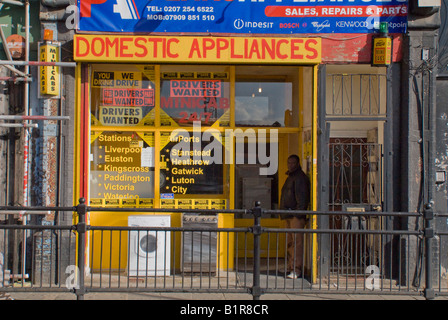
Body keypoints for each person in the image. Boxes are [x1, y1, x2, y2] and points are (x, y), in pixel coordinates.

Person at [280, 154, 310, 279]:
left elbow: (302, 198)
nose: (290, 165)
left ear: (298, 164)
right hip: (290, 214)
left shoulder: (300, 178)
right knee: (291, 243)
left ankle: (296, 269)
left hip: (295, 216)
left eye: (293, 163)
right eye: (289, 162)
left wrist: (298, 214)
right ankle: (291, 267)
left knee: (296, 243)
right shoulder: (291, 177)